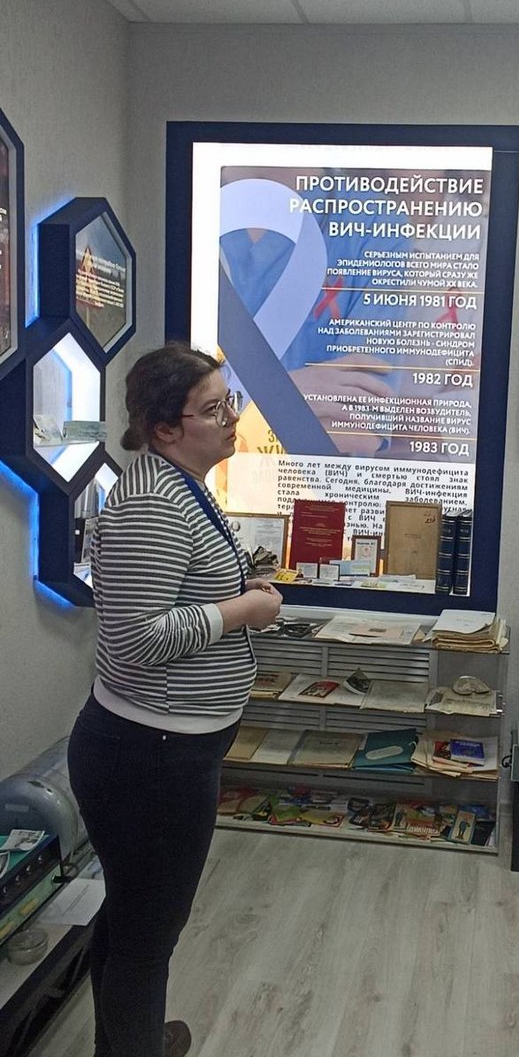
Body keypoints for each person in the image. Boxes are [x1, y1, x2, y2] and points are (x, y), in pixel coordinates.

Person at [67, 343, 282, 1057]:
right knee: (148, 935)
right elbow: (138, 640)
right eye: (214, 410)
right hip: (150, 756)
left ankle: (124, 1042)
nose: (232, 419)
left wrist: (236, 589)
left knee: (134, 917)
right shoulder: (154, 503)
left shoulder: (181, 483)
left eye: (229, 402)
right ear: (163, 429)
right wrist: (243, 611)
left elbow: (176, 591)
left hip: (168, 747)